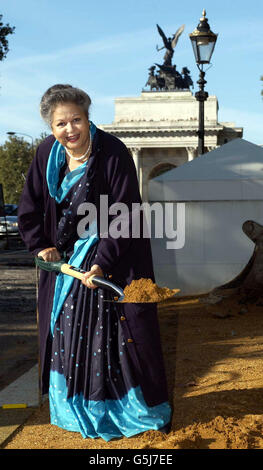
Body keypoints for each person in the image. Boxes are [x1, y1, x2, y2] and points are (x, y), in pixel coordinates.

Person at [18, 84, 171, 441]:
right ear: (50, 127)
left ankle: (130, 410)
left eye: (76, 120)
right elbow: (30, 207)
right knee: (69, 333)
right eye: (61, 124)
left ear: (88, 119)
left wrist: (101, 262)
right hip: (66, 268)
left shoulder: (113, 152)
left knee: (118, 337)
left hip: (113, 259)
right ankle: (74, 406)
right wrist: (40, 246)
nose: (69, 130)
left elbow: (126, 214)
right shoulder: (45, 154)